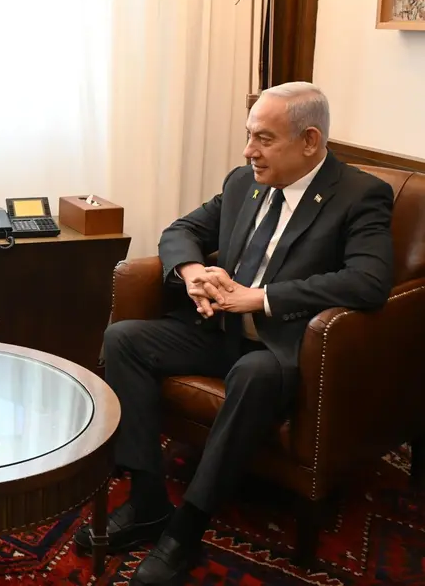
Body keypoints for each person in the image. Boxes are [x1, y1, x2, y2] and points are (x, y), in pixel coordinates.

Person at [73, 82, 394, 585]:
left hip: (286, 349)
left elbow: (370, 281)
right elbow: (182, 230)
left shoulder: (358, 195)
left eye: (264, 139)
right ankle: (148, 500)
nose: (249, 151)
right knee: (124, 340)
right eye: (249, 136)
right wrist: (192, 273)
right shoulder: (245, 181)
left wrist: (263, 297)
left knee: (253, 371)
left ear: (309, 140)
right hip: (219, 329)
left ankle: (186, 528)